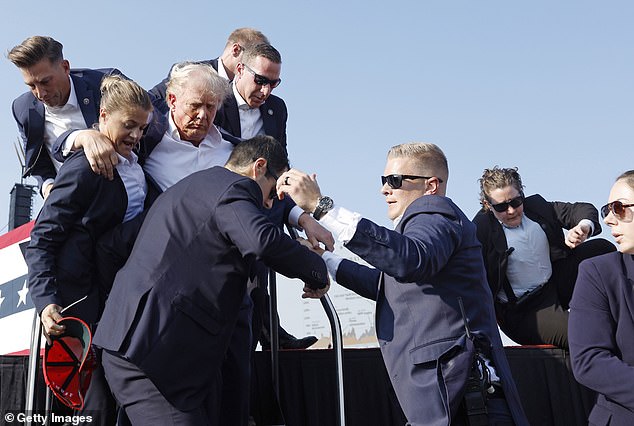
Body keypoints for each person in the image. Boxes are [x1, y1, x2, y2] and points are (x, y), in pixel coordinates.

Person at [279, 143, 529, 425]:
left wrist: (322, 207)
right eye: (383, 180)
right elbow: (388, 284)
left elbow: (411, 260)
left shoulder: (435, 212)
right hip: (453, 402)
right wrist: (326, 260)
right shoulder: (425, 230)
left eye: (395, 181)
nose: (385, 189)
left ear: (431, 186)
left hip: (466, 403)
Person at [93, 136, 329, 426]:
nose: (269, 205)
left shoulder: (196, 187)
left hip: (149, 348)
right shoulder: (234, 189)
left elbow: (235, 244)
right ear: (259, 167)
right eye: (273, 192)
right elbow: (261, 242)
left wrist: (294, 249)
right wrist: (316, 270)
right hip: (152, 353)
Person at [25, 75, 152, 425]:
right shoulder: (85, 167)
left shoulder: (134, 162)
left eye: (142, 127)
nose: (137, 136)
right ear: (103, 115)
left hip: (116, 298)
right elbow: (43, 237)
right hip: (81, 305)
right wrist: (46, 300)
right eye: (129, 125)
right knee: (93, 406)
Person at [473, 167, 615, 349]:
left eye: (516, 202)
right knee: (586, 334)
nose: (511, 211)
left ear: (522, 194)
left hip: (553, 284)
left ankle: (611, 308)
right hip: (525, 311)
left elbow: (581, 210)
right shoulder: (480, 229)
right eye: (501, 207)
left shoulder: (537, 207)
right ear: (487, 205)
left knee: (602, 250)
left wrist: (583, 227)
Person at [8, 35, 123, 197]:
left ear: (65, 67)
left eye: (46, 81)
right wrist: (48, 187)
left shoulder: (106, 84)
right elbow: (37, 162)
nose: (40, 94)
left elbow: (148, 120)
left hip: (124, 194)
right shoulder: (22, 108)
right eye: (31, 86)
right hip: (73, 206)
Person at [569, 170, 634, 426]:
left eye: (618, 208)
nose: (608, 219)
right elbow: (588, 360)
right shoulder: (597, 272)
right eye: (607, 209)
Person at [149, 27, 269, 114]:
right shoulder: (190, 73)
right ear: (236, 50)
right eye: (253, 56)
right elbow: (150, 101)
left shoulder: (256, 97)